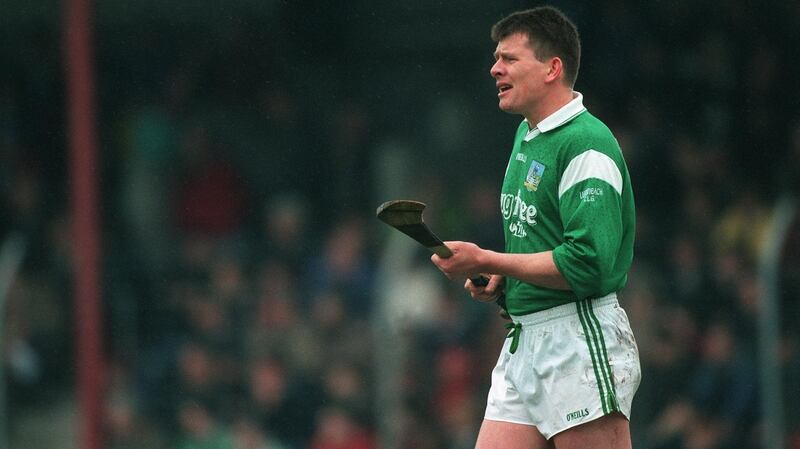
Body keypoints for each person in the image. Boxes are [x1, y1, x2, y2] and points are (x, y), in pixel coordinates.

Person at [430, 6, 641, 449]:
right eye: (495, 58)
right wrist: (504, 276)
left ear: (552, 68)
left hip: (578, 342)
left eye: (509, 59)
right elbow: (541, 241)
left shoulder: (586, 144)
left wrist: (488, 258)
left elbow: (588, 265)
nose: (495, 68)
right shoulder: (528, 135)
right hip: (525, 339)